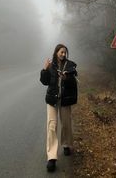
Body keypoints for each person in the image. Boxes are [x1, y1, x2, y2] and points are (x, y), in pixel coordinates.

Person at [40, 43, 78, 172]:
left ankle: (66, 144)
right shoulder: (51, 66)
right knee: (52, 126)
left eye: (65, 52)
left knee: (66, 124)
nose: (63, 54)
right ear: (56, 52)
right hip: (52, 99)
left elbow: (74, 83)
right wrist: (44, 69)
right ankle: (51, 157)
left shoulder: (71, 65)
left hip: (65, 99)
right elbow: (44, 82)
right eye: (61, 52)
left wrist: (66, 78)